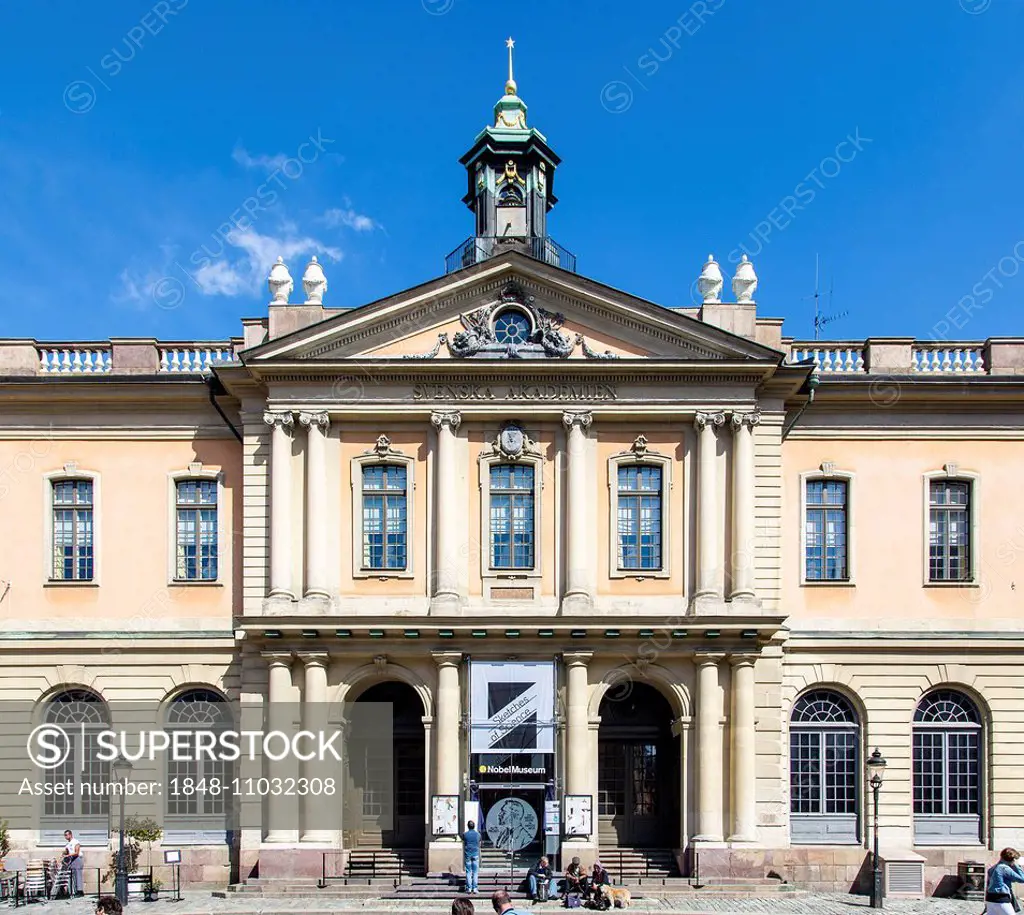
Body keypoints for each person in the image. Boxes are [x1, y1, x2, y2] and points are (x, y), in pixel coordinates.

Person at [985, 847, 1024, 914]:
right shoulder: (1004, 868)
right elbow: (1022, 879)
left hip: (990, 899)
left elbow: (988, 884)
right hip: (1001, 899)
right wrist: (1018, 865)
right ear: (1012, 859)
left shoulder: (992, 868)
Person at [62, 829, 84, 897]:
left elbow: (76, 852)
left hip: (77, 859)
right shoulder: (68, 844)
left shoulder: (75, 842)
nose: (65, 837)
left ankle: (80, 891)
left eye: (66, 835)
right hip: (71, 860)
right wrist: (64, 853)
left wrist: (68, 855)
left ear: (70, 835)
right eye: (64, 835)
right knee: (73, 876)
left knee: (78, 875)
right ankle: (75, 891)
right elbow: (66, 851)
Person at [463, 819, 481, 895]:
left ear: (468, 826)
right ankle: (475, 888)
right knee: (475, 872)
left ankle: (469, 888)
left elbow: (464, 841)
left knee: (468, 872)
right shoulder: (478, 834)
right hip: (475, 854)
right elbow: (479, 842)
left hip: (467, 855)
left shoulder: (464, 834)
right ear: (474, 826)